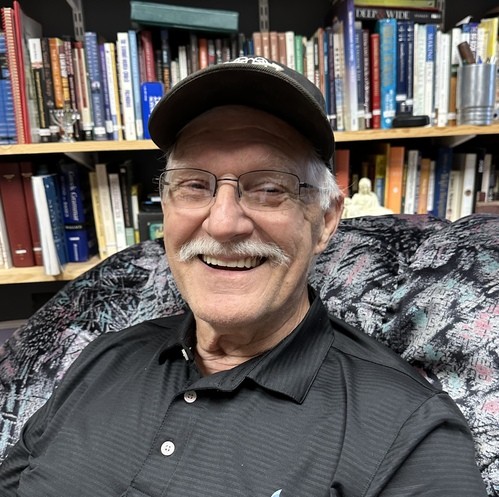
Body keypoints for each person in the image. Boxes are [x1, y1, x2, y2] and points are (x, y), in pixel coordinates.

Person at [0, 56, 487, 497]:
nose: (223, 223)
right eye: (194, 185)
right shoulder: (103, 357)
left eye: (269, 188)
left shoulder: (409, 435)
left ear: (324, 220)